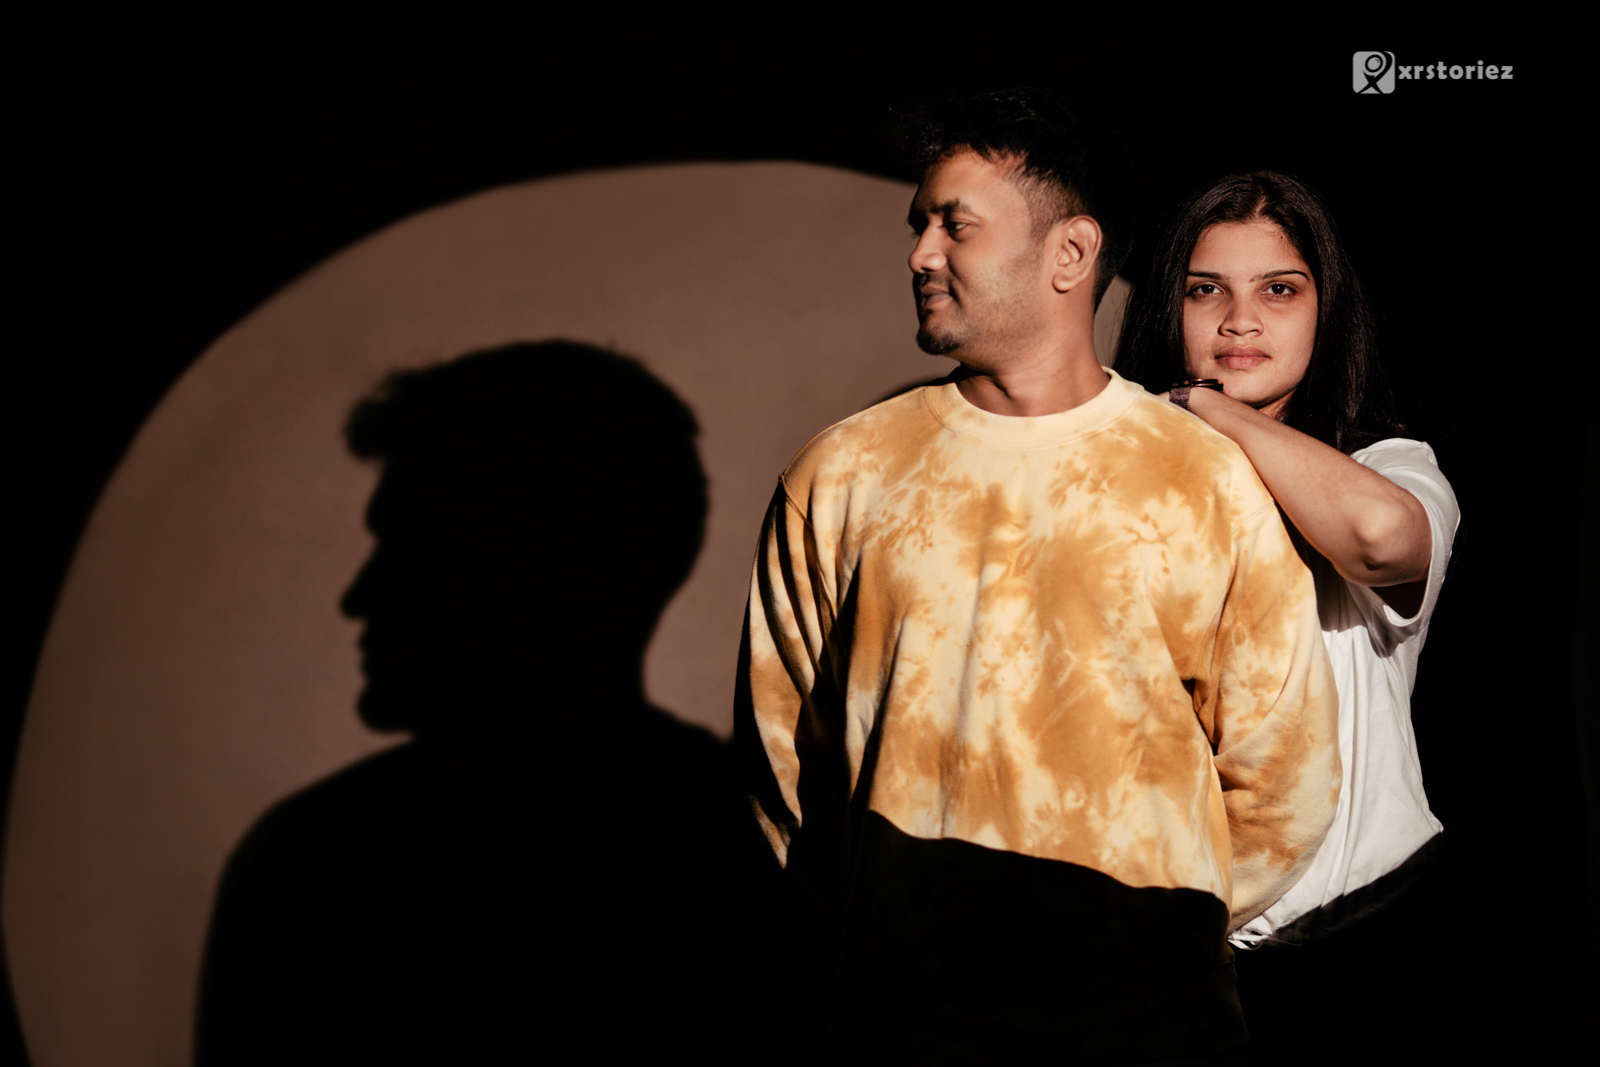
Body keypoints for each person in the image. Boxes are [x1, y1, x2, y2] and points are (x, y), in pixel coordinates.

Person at [736, 90, 1340, 1064]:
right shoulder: (840, 474)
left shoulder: (1203, 477)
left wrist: (1143, 944)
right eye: (919, 226)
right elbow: (781, 767)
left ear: (1070, 253)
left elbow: (1284, 773)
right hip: (906, 1036)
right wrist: (889, 940)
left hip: (1148, 1041)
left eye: (954, 225)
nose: (919, 254)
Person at [1116, 172, 1457, 950]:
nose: (1240, 320)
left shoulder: (1390, 466)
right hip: (1180, 946)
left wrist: (1204, 404)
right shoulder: (1123, 483)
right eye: (1206, 290)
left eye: (1278, 290)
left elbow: (1379, 535)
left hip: (1368, 933)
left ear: (1323, 309)